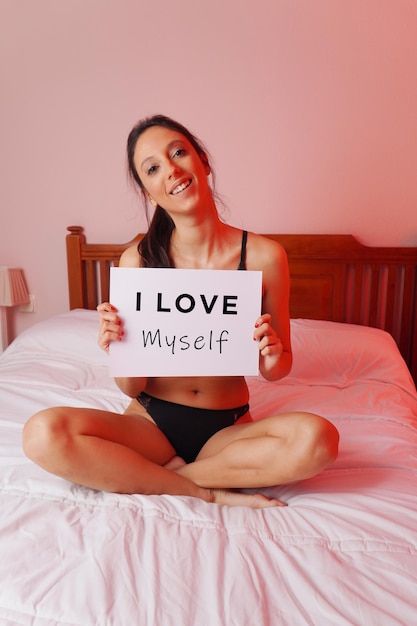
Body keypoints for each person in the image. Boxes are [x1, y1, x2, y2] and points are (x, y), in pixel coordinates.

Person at [23, 114, 339, 508]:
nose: (171, 169)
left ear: (202, 161)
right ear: (149, 193)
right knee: (41, 433)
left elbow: (277, 370)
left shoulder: (265, 256)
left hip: (227, 428)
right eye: (153, 168)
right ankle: (200, 490)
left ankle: (160, 478)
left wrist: (272, 352)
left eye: (179, 153)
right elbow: (130, 388)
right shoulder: (136, 260)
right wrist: (119, 348)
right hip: (149, 423)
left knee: (319, 438)